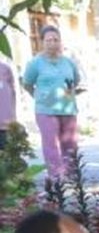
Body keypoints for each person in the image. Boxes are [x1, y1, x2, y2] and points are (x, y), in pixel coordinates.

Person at [21, 26, 80, 180]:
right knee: (51, 144)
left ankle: (73, 176)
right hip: (45, 110)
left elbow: (76, 81)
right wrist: (39, 96)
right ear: (42, 42)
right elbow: (27, 83)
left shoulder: (68, 62)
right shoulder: (35, 63)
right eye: (48, 40)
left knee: (70, 144)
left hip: (68, 109)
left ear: (60, 42)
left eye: (56, 40)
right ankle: (56, 178)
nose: (53, 43)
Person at [0, 59, 16, 150]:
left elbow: (12, 94)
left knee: (7, 155)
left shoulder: (5, 68)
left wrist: (13, 117)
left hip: (5, 124)